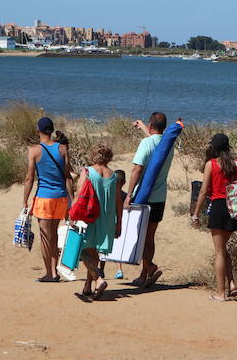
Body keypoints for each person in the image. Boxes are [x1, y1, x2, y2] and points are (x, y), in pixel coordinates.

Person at [191, 133, 237, 302]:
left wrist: (195, 213)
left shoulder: (211, 164)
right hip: (234, 207)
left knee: (219, 253)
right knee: (224, 248)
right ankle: (233, 284)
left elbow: (204, 191)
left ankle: (221, 293)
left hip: (219, 207)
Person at [124, 112, 176, 287]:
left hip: (145, 197)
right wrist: (144, 129)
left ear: (151, 125)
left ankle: (150, 267)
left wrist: (129, 195)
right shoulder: (168, 145)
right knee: (149, 237)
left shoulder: (146, 143)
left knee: (140, 236)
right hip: (160, 198)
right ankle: (144, 274)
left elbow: (137, 169)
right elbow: (156, 146)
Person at [22, 117, 74, 282]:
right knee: (54, 236)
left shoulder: (34, 150)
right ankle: (54, 272)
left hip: (44, 198)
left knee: (46, 237)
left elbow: (29, 178)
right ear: (51, 130)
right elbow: (68, 177)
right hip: (60, 198)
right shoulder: (62, 148)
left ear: (38, 130)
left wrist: (25, 200)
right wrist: (71, 200)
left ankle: (49, 273)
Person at [75, 144, 124, 300]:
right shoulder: (113, 176)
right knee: (94, 252)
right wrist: (119, 223)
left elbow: (79, 195)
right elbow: (118, 202)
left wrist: (72, 217)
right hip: (107, 219)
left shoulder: (87, 172)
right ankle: (88, 286)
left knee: (82, 251)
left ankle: (98, 279)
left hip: (89, 217)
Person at [98, 169, 127, 280]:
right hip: (117, 223)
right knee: (116, 246)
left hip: (109, 222)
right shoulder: (125, 196)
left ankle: (102, 269)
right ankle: (118, 269)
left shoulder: (108, 194)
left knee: (103, 246)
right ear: (124, 182)